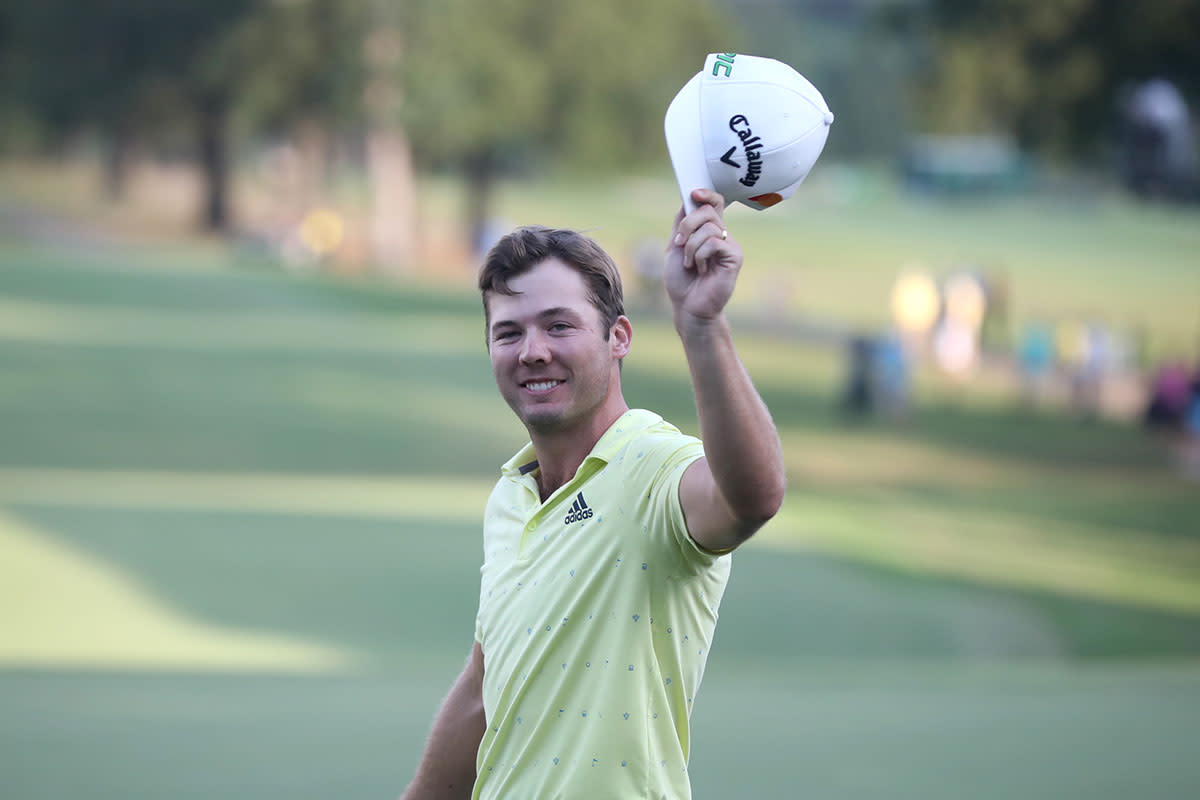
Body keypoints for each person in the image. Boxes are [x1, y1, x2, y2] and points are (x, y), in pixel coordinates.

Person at [399, 188, 786, 800]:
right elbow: (483, 688)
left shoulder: (653, 465)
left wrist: (703, 326)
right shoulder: (511, 496)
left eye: (559, 325)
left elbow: (752, 497)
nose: (532, 351)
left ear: (619, 337)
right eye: (508, 333)